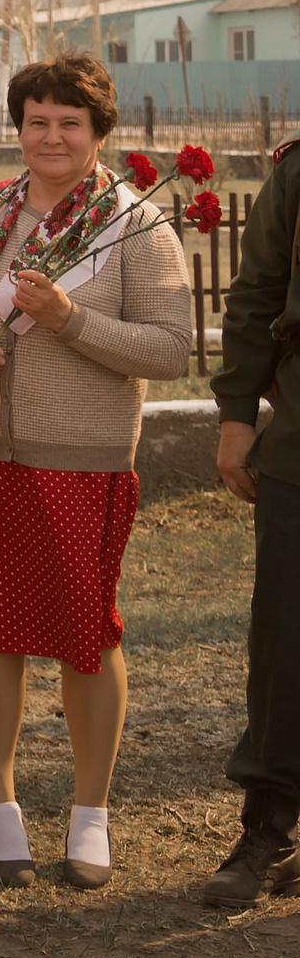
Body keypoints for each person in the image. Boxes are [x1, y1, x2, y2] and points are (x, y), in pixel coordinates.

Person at [0, 52, 190, 890]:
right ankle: (0, 810)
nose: (52, 136)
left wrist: (68, 319)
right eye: (37, 120)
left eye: (70, 122)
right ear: (19, 127)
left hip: (79, 463)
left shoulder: (135, 226)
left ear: (100, 132)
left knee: (84, 639)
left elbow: (173, 350)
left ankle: (89, 815)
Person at [211, 128, 300, 905]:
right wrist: (237, 413)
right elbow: (259, 291)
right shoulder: (299, 171)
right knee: (284, 639)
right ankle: (267, 827)